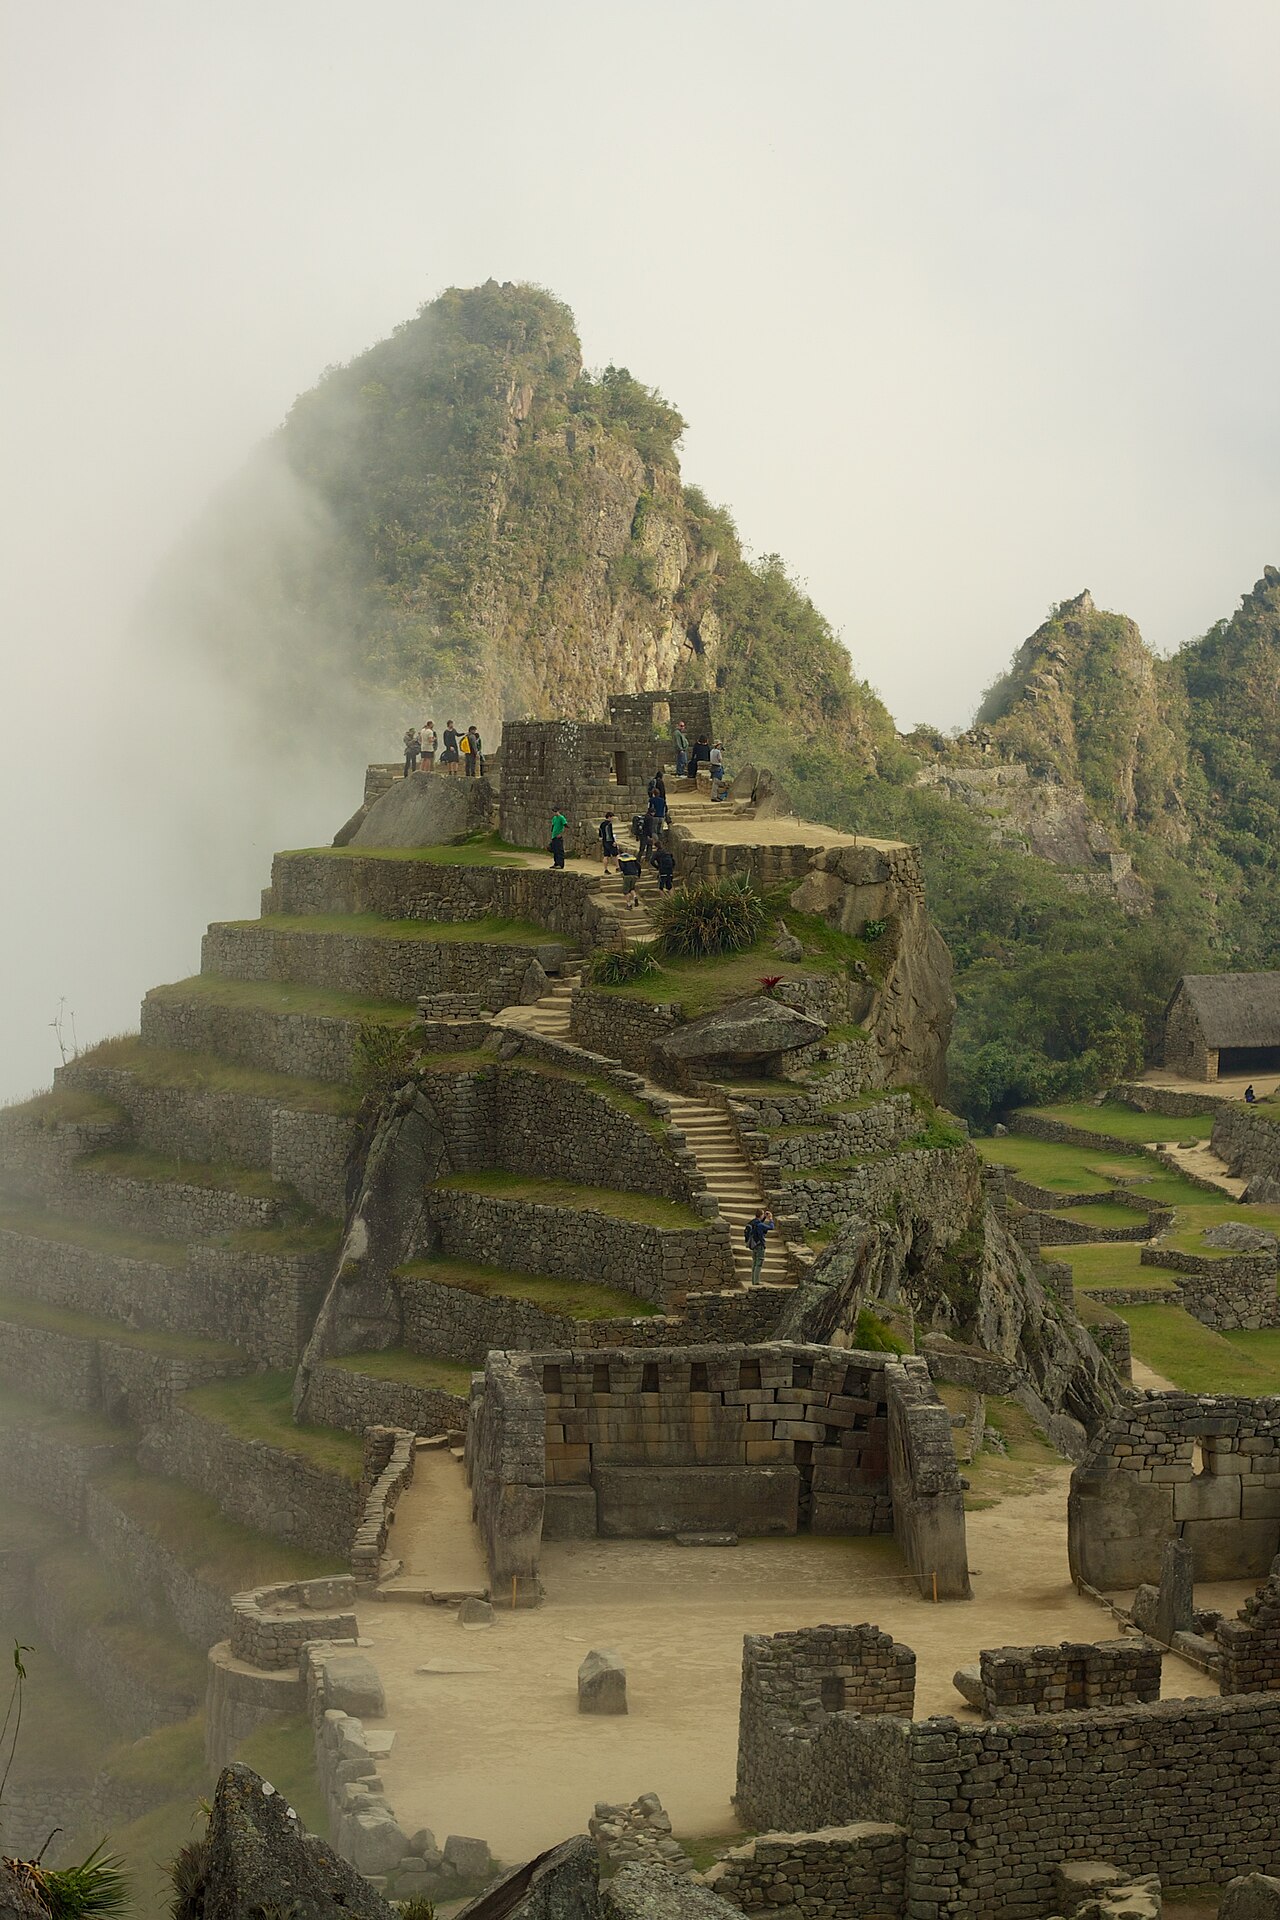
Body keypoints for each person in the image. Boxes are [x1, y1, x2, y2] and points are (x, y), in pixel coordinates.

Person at [745, 1208, 774, 1285]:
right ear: (761, 1215)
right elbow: (771, 1227)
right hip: (760, 1246)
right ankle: (757, 1282)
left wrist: (764, 1217)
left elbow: (759, 1223)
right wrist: (771, 1219)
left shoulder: (752, 1222)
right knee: (759, 1264)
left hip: (753, 1245)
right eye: (763, 1214)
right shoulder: (760, 1225)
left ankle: (754, 1281)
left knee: (754, 1264)